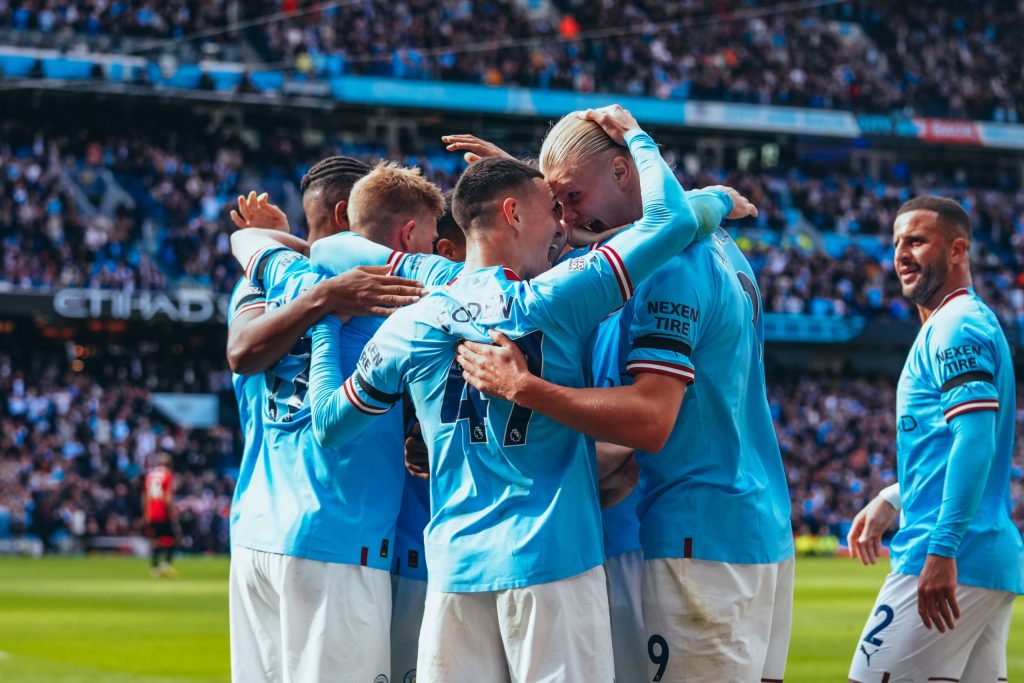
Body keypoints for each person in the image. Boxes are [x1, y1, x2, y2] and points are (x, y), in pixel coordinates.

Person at [305, 105, 735, 682]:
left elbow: (329, 423)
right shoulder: (555, 300)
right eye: (551, 211)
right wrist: (706, 191)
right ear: (512, 212)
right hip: (554, 567)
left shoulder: (414, 321)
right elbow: (671, 219)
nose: (563, 226)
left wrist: (323, 329)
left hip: (455, 573)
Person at [454, 109, 792, 682]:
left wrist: (528, 390)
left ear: (622, 171)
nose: (567, 218)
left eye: (572, 197)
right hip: (757, 524)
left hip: (691, 534)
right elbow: (614, 238)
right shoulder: (719, 245)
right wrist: (517, 191)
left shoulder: (667, 266)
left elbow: (651, 419)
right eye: (555, 205)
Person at [226, 161, 442, 683]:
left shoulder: (260, 284)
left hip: (257, 531)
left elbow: (241, 350)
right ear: (348, 215)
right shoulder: (384, 299)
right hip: (341, 538)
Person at [846, 196, 1022, 683]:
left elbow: (976, 441)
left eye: (917, 241)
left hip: (950, 554)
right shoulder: (959, 323)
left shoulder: (956, 325)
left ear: (958, 250)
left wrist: (942, 549)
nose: (901, 254)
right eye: (897, 243)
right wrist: (894, 496)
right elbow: (956, 445)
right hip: (982, 556)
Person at [143, 453, 178, 578]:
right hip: (163, 511)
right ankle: (166, 564)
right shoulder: (167, 475)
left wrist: (146, 513)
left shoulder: (149, 476)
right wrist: (172, 513)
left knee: (155, 540)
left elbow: (145, 496)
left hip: (151, 511)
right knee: (171, 538)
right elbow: (168, 497)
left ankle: (155, 567)